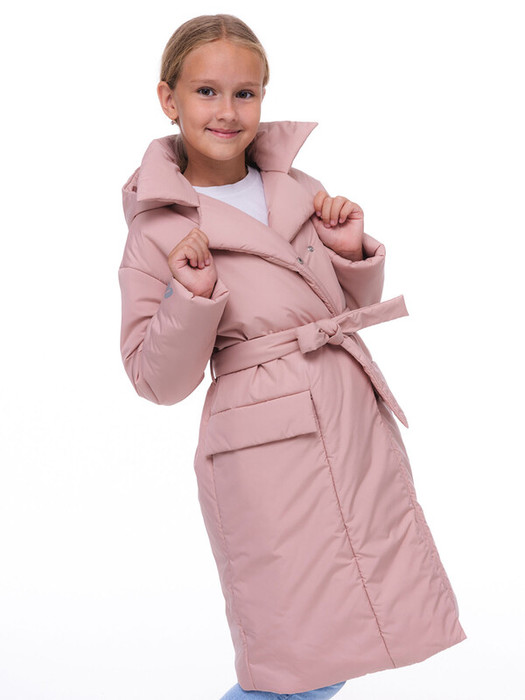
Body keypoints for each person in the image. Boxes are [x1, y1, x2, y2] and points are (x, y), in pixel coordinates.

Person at [118, 13, 467, 700]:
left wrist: (348, 249)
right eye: (206, 91)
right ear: (168, 98)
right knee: (296, 659)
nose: (227, 111)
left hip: (348, 421)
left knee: (346, 642)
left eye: (244, 93)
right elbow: (155, 380)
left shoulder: (297, 185)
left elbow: (333, 309)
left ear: (263, 99)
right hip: (265, 448)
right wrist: (190, 296)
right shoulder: (156, 229)